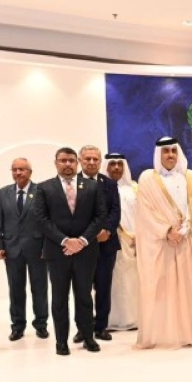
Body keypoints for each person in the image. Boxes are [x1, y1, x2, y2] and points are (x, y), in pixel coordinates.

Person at [134, 137, 192, 349]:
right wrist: (167, 231)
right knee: (161, 289)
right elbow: (145, 212)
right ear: (158, 154)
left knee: (186, 288)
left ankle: (187, 332)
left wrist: (185, 228)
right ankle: (162, 335)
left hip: (185, 240)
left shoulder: (189, 177)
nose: (170, 155)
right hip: (160, 244)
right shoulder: (147, 178)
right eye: (166, 151)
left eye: (173, 151)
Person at [32, 147, 107, 355]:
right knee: (59, 299)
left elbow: (100, 216)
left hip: (86, 251)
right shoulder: (44, 187)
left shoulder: (92, 186)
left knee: (84, 297)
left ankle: (88, 337)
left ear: (77, 163)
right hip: (57, 253)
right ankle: (61, 341)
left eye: (71, 161)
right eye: (63, 160)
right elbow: (41, 219)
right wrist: (65, 241)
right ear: (56, 163)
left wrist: (82, 241)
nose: (67, 164)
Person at [0, 158, 49, 341]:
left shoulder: (41, 191)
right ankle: (18, 326)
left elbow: (47, 221)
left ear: (30, 172)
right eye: (14, 169)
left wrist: (47, 246)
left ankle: (41, 324)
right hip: (11, 249)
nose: (18, 173)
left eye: (22, 169)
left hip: (37, 249)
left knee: (39, 288)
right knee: (15, 289)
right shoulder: (3, 193)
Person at [74, 145, 121, 343]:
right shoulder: (71, 182)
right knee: (82, 289)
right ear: (80, 161)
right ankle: (83, 328)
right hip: (81, 246)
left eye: (95, 159)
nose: (92, 162)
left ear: (100, 162)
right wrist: (87, 235)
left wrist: (107, 230)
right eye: (88, 159)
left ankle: (101, 326)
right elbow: (70, 213)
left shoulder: (109, 184)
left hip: (106, 244)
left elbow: (115, 211)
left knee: (103, 288)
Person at [105, 153, 139, 332]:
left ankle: (134, 318)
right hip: (112, 240)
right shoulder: (102, 188)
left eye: (120, 164)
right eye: (112, 164)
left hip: (135, 241)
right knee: (113, 281)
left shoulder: (134, 188)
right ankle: (112, 319)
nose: (117, 167)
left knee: (133, 280)